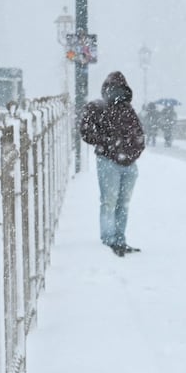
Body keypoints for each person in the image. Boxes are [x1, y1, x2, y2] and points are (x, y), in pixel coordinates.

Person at [79, 71, 146, 257]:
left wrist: (132, 152)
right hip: (110, 161)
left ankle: (119, 238)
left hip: (126, 163)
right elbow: (86, 132)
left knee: (121, 203)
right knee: (111, 202)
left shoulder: (127, 110)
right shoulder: (97, 108)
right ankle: (109, 239)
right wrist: (110, 144)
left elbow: (139, 135)